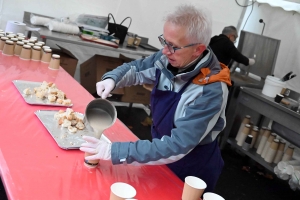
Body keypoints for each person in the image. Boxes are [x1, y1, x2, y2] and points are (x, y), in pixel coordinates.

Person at [80, 4, 231, 193]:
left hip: (190, 168)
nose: (165, 51)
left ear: (198, 50)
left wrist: (116, 151)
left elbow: (178, 145)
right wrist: (112, 78)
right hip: (157, 153)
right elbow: (137, 68)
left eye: (173, 46)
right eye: (164, 41)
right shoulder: (167, 57)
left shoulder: (210, 90)